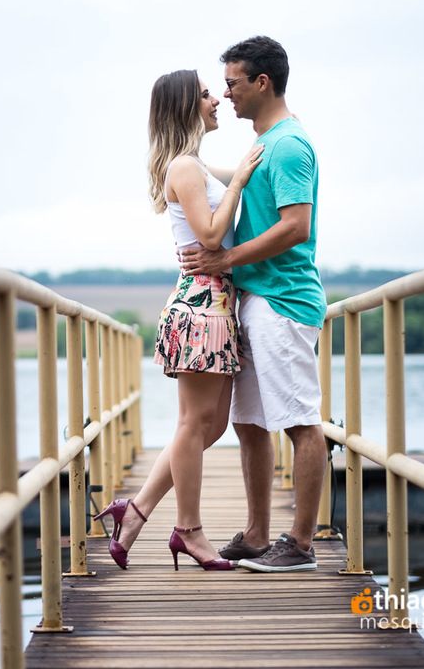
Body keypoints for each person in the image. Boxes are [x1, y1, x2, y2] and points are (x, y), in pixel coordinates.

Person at [93, 68, 262, 571]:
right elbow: (211, 236)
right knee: (194, 424)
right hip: (202, 306)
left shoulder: (197, 167)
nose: (217, 100)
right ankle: (189, 530)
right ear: (186, 107)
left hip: (218, 304)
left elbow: (231, 191)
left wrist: (252, 164)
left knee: (206, 430)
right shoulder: (184, 167)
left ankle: (137, 509)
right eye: (207, 93)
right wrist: (243, 179)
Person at [179, 35, 326, 572]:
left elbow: (295, 226)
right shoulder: (266, 142)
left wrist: (226, 260)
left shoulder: (288, 145)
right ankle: (260, 535)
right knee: (250, 423)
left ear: (262, 82)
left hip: (283, 299)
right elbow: (230, 187)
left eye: (233, 83)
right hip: (257, 298)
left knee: (300, 422)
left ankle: (301, 544)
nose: (226, 94)